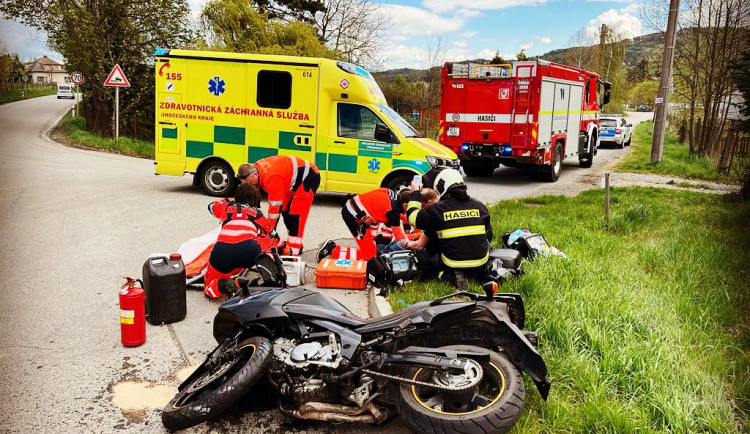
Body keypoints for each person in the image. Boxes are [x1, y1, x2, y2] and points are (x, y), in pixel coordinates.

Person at [404, 169, 493, 289]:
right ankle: (475, 274)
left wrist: (415, 193)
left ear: (441, 187)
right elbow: (489, 236)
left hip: (452, 262)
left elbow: (412, 217)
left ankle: (453, 274)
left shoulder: (435, 210)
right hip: (481, 261)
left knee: (429, 257)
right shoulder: (480, 206)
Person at [204, 184, 278, 299]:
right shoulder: (257, 214)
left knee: (209, 285)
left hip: (221, 254)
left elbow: (211, 206)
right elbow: (273, 235)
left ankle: (222, 285)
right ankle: (272, 278)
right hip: (247, 256)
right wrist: (284, 248)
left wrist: (230, 200)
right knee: (266, 240)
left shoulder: (226, 207)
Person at [236, 156, 320, 255]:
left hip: (309, 177)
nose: (251, 186)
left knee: (296, 214)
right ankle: (292, 244)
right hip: (291, 180)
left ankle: (294, 249)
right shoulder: (258, 170)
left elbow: (274, 209)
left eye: (250, 183)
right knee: (285, 210)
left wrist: (269, 231)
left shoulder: (271, 177)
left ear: (255, 174)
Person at [317, 188, 411, 261]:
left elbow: (399, 219)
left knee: (384, 232)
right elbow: (400, 239)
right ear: (405, 205)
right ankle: (332, 249)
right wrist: (411, 245)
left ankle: (378, 247)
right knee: (370, 257)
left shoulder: (393, 195)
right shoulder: (393, 211)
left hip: (361, 212)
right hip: (354, 217)